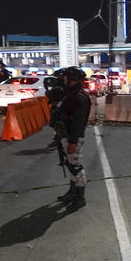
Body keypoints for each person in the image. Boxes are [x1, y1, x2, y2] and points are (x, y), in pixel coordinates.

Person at [54, 67, 91, 213]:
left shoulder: (79, 97)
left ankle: (80, 197)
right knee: (70, 164)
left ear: (73, 80)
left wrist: (72, 142)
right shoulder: (71, 94)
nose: (64, 81)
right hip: (67, 135)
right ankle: (72, 191)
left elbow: (78, 122)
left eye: (66, 78)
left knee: (76, 166)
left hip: (73, 137)